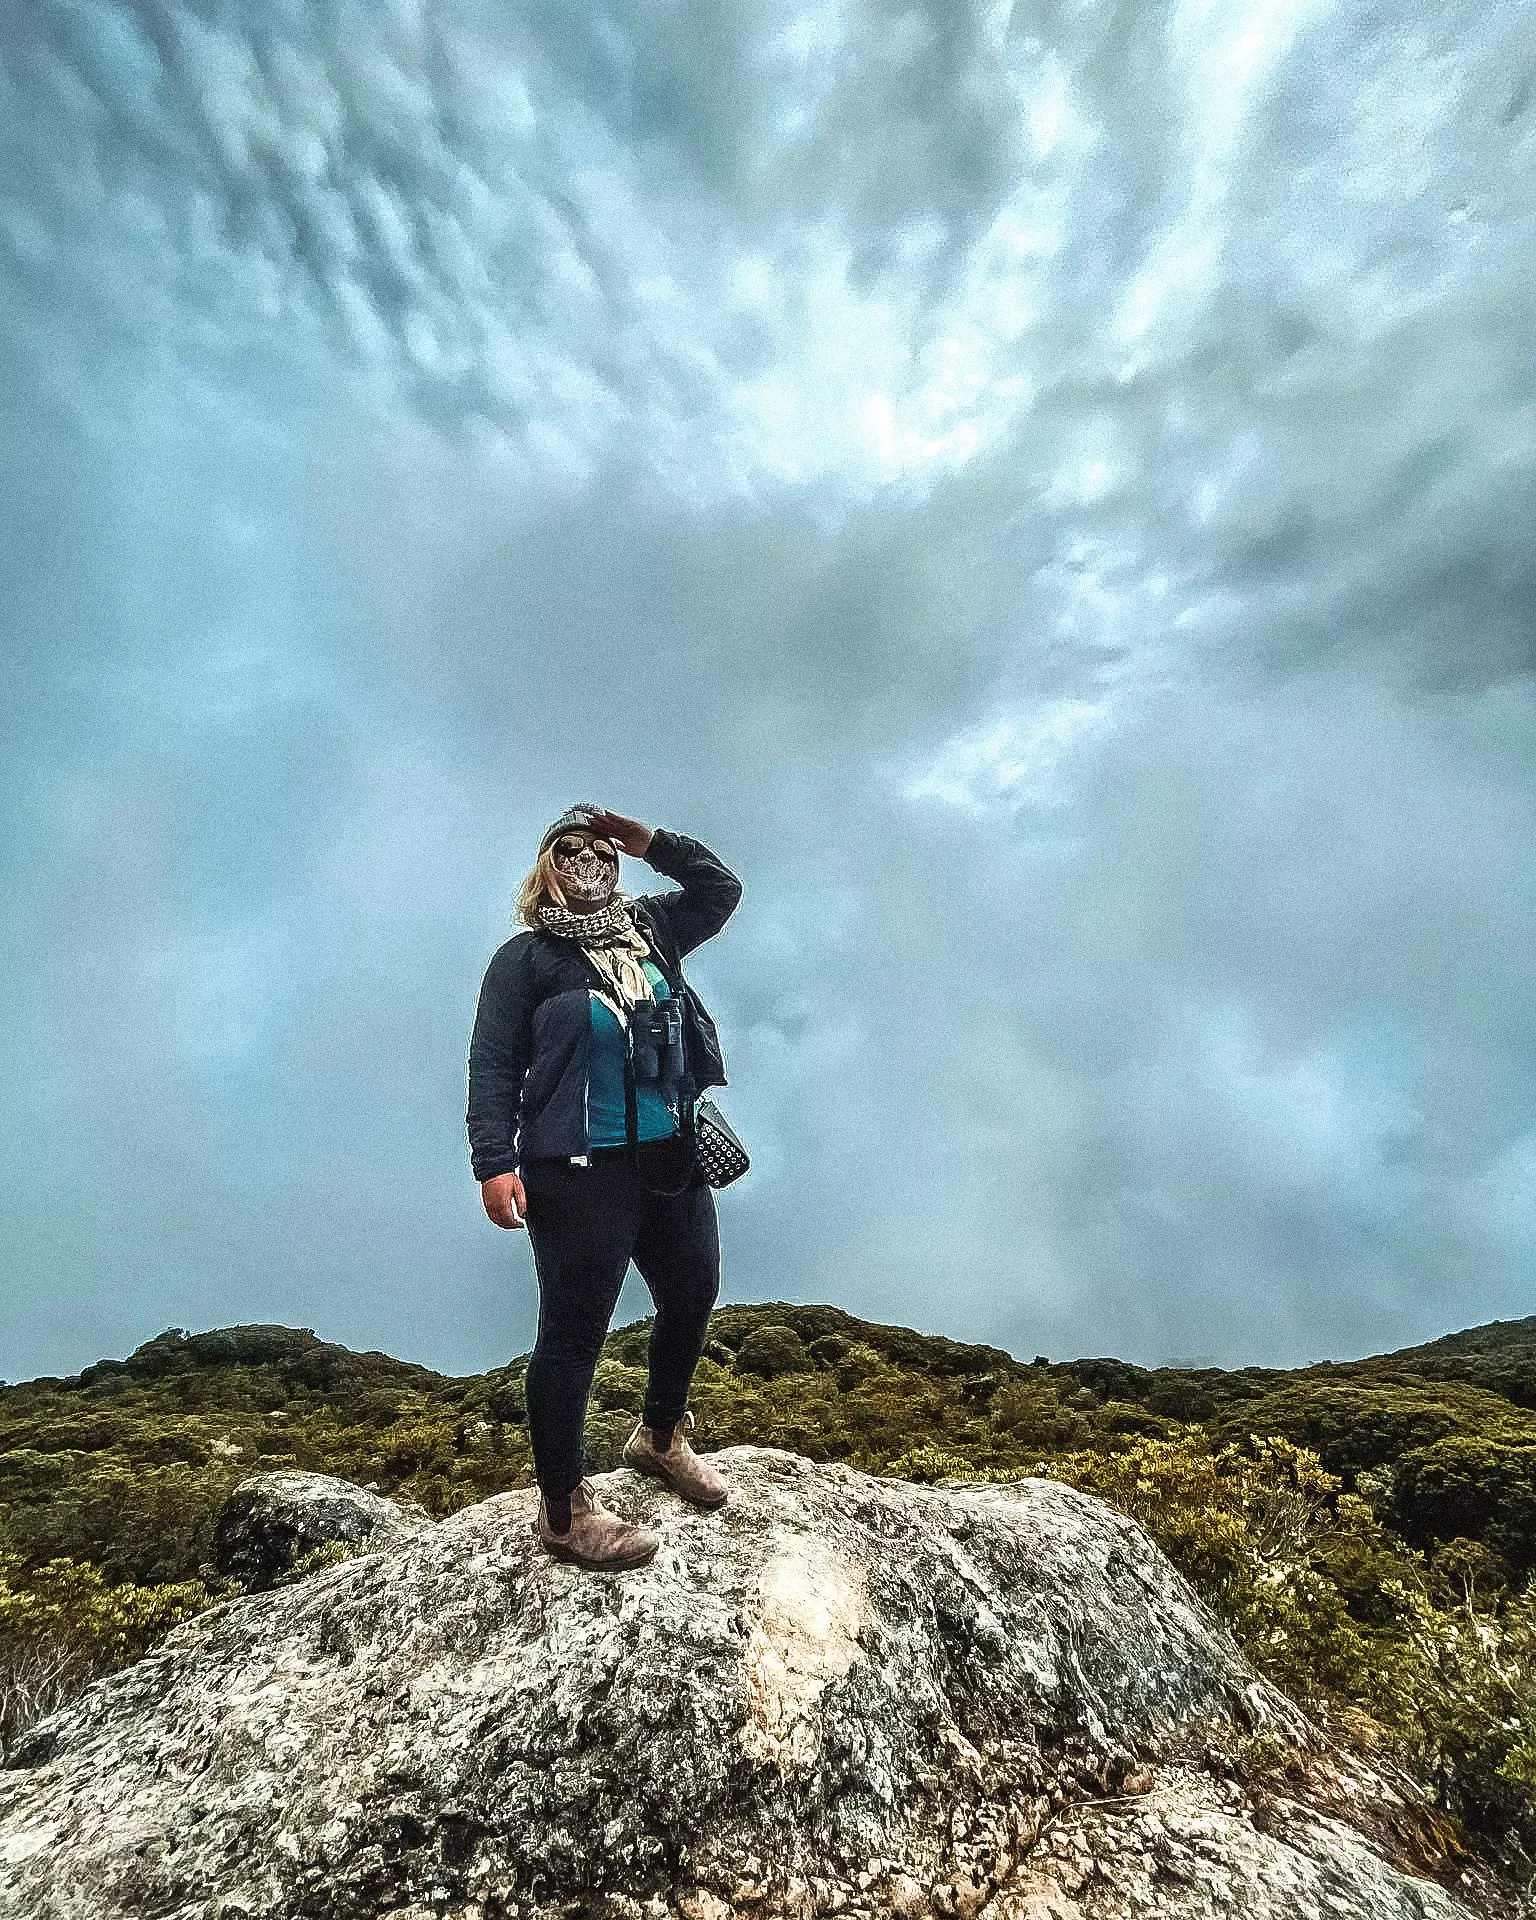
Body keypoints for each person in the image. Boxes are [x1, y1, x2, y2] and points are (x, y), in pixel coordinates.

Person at [467, 804, 743, 1572]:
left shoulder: (649, 927)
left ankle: (659, 1438)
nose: (589, 860)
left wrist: (645, 838)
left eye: (599, 851)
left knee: (691, 1297)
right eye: (569, 849)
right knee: (572, 1337)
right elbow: (492, 1063)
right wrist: (493, 1162)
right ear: (544, 865)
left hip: (669, 1153)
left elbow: (719, 888)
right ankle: (563, 1509)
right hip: (577, 1171)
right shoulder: (525, 960)